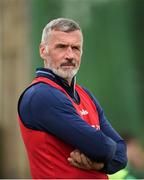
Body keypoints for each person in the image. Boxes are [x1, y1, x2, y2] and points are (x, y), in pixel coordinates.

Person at [18, 18, 127, 179]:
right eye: (61, 47)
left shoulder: (85, 94)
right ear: (43, 50)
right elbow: (104, 148)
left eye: (75, 48)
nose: (69, 55)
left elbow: (121, 154)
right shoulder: (40, 95)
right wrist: (103, 150)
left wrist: (100, 164)